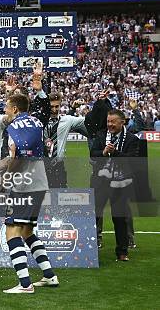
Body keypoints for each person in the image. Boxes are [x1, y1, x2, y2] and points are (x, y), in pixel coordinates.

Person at [0, 94, 58, 294]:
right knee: (27, 231)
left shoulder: (15, 127)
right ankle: (49, 275)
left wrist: (7, 179)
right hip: (39, 182)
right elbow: (15, 158)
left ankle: (25, 284)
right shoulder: (34, 122)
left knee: (12, 231)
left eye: (7, 108)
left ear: (15, 109)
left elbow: (19, 158)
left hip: (24, 186)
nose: (5, 112)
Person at [90, 109, 139, 261]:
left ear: (122, 122)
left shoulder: (131, 139)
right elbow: (93, 154)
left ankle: (122, 252)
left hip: (120, 183)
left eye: (113, 122)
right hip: (100, 182)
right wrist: (103, 153)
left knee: (119, 218)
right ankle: (88, 249)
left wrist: (116, 153)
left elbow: (133, 161)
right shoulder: (101, 135)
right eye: (108, 121)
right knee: (94, 216)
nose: (109, 124)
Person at [43, 92, 88, 188]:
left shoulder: (66, 120)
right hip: (42, 165)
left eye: (57, 106)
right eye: (51, 107)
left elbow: (89, 122)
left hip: (59, 167)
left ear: (60, 105)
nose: (54, 110)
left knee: (60, 197)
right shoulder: (40, 121)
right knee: (42, 199)